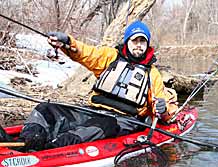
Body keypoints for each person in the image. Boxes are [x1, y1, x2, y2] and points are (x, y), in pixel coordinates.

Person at [1, 20, 178, 151]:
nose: (138, 45)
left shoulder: (152, 74)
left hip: (123, 121)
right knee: (45, 109)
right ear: (127, 42)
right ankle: (28, 140)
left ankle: (48, 149)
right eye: (135, 40)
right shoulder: (110, 57)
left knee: (98, 127)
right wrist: (68, 43)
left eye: (142, 41)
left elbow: (162, 108)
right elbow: (86, 53)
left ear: (147, 45)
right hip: (93, 110)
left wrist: (161, 109)